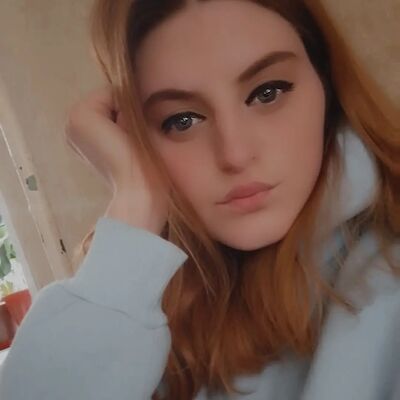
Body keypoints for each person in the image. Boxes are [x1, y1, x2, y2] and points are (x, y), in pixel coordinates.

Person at [0, 0, 399, 399]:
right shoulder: (155, 296)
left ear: (326, 86)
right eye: (182, 120)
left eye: (267, 93)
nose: (235, 154)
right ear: (137, 136)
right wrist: (135, 201)